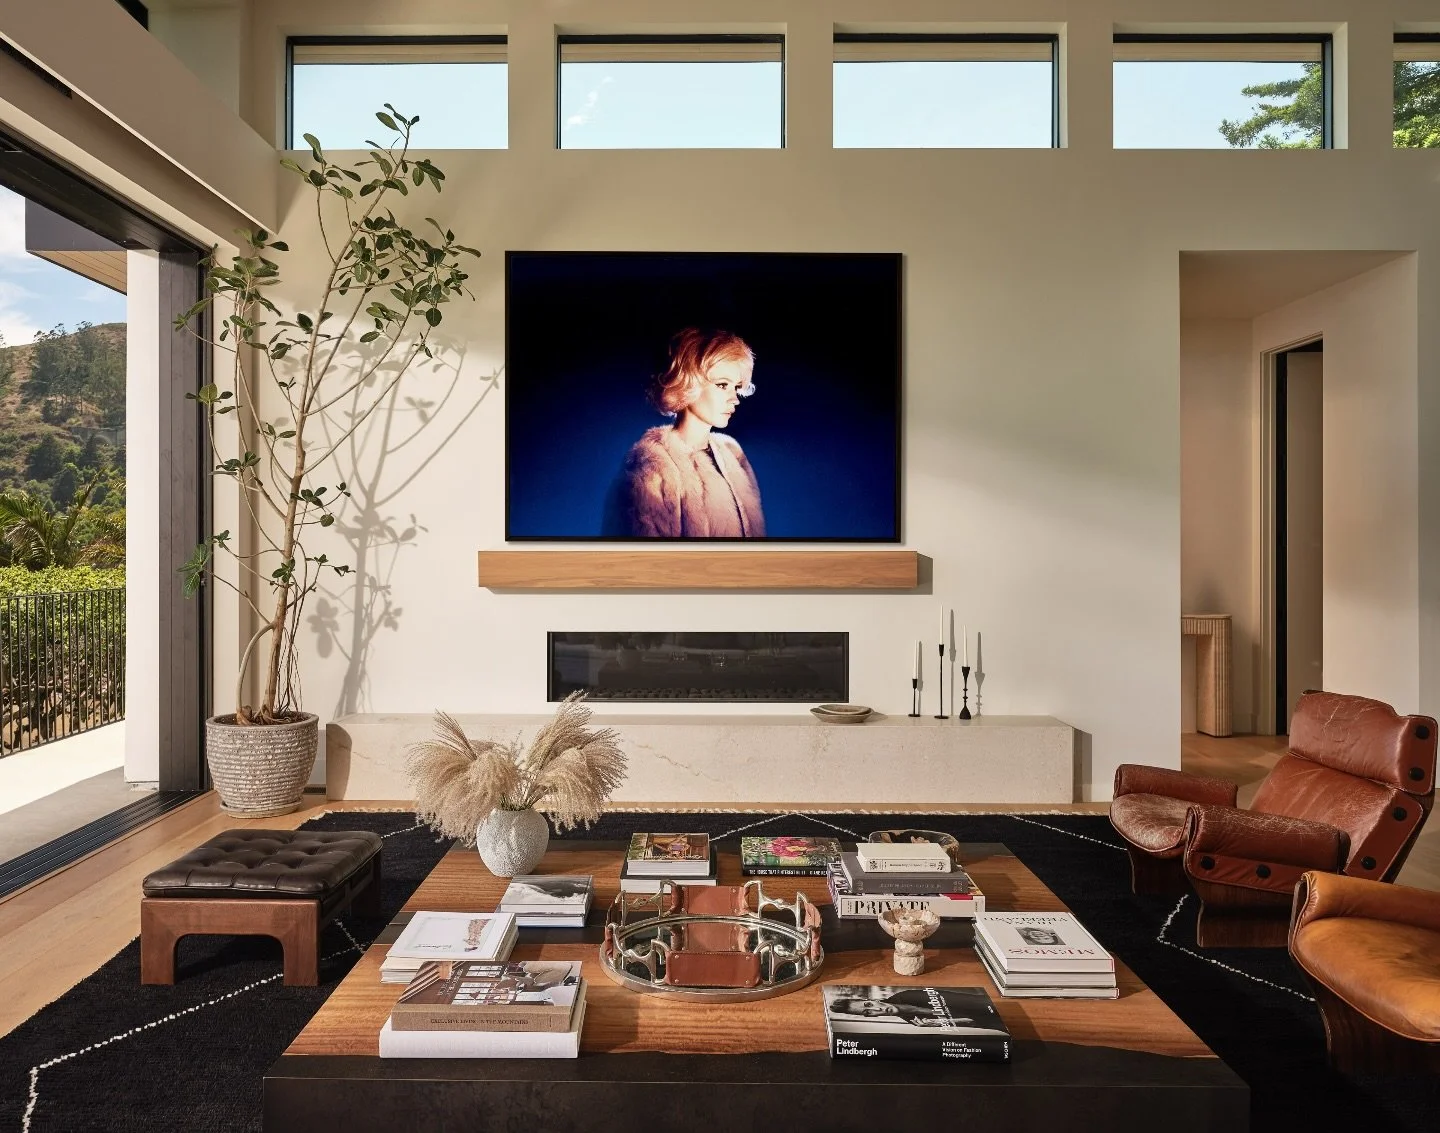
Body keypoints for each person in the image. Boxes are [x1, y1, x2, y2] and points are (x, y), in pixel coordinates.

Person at [611, 328, 765, 538]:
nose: (735, 398)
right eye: (722, 385)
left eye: (737, 387)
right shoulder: (652, 470)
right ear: (688, 382)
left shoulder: (732, 454)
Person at [828, 988, 977, 1027]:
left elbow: (967, 1003)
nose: (877, 1010)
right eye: (868, 1012)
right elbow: (971, 1021)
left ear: (872, 999)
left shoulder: (908, 995)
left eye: (869, 1005)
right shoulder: (914, 1021)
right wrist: (937, 1024)